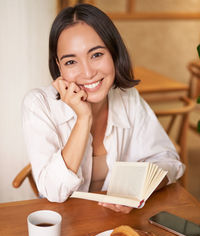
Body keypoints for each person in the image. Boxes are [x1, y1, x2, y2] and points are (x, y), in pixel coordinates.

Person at [22, 3, 184, 213]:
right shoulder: (38, 105)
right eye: (71, 61)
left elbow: (169, 161)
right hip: (64, 225)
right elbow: (54, 191)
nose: (87, 73)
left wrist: (138, 190)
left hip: (116, 222)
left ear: (114, 52)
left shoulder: (128, 98)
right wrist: (83, 119)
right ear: (59, 66)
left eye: (96, 55)